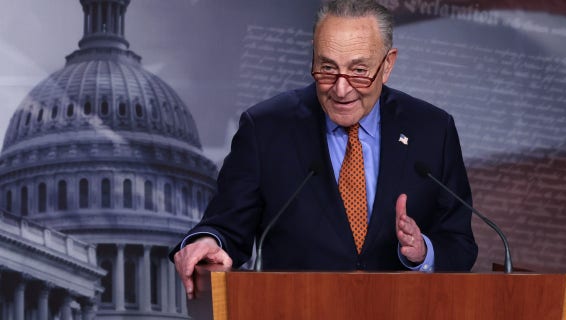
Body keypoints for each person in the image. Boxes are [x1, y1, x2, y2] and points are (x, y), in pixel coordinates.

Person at [171, 0, 477, 299]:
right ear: (313, 60)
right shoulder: (265, 128)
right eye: (327, 68)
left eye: (359, 71)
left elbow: (459, 241)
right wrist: (207, 240)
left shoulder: (432, 130)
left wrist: (423, 252)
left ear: (387, 65)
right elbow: (226, 225)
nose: (341, 89)